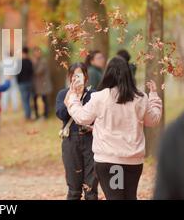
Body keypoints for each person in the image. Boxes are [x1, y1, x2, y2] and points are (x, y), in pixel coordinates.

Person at [66, 56, 162, 200]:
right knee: (130, 197)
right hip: (133, 161)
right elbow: (153, 120)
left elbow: (81, 117)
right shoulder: (140, 98)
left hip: (109, 161)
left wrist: (73, 98)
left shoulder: (100, 97)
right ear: (129, 75)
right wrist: (154, 96)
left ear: (108, 73)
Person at [56, 62, 98, 200]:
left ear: (86, 77)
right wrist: (72, 96)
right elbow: (61, 114)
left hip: (90, 140)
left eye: (80, 75)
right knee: (74, 190)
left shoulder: (93, 95)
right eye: (74, 75)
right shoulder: (63, 94)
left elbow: (97, 117)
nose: (76, 79)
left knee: (91, 189)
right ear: (69, 77)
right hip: (71, 140)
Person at [154, 108, 184, 200]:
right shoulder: (177, 134)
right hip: (135, 158)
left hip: (114, 158)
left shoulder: (176, 133)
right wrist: (154, 97)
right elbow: (153, 119)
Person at [31, 47, 53, 120]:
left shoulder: (43, 61)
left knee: (44, 100)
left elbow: (38, 72)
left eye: (38, 52)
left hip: (43, 84)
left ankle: (45, 115)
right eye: (35, 52)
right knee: (35, 99)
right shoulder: (35, 61)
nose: (37, 53)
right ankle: (37, 115)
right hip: (37, 85)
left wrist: (34, 64)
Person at [17, 47, 34, 120]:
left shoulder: (20, 62)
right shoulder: (30, 61)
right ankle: (29, 114)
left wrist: (18, 81)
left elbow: (18, 73)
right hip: (29, 82)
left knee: (25, 100)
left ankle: (27, 116)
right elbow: (32, 72)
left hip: (22, 83)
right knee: (29, 99)